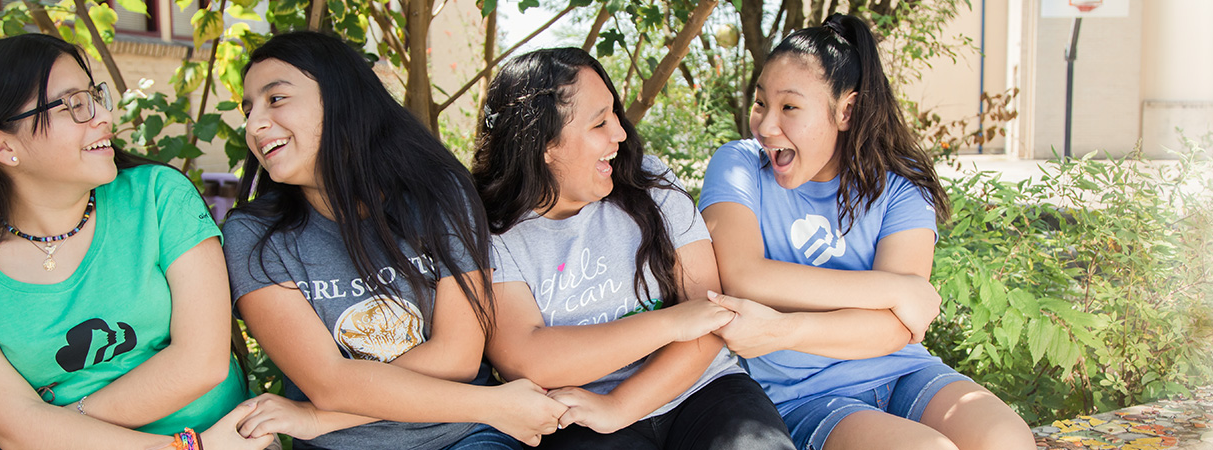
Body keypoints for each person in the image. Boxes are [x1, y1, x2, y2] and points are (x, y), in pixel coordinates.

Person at [0, 33, 271, 450]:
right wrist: (189, 448)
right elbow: (13, 430)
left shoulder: (157, 196)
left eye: (95, 96)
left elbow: (202, 362)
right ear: (1, 144)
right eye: (73, 105)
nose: (104, 116)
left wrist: (57, 422)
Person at [697, 14, 1036, 450]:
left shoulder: (901, 184)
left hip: (902, 370)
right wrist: (895, 290)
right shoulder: (739, 164)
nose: (765, 126)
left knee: (1009, 441)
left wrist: (785, 329)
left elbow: (899, 329)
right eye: (761, 103)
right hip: (805, 396)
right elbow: (744, 275)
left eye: (789, 107)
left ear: (846, 110)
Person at [222, 31, 569, 450]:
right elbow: (329, 381)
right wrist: (490, 403)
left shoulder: (438, 194)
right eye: (249, 109)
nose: (255, 123)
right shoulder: (254, 236)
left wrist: (320, 416)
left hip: (463, 434)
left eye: (275, 99)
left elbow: (457, 358)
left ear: (342, 100)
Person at [468, 47, 793, 450]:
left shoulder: (650, 182)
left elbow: (711, 315)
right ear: (544, 144)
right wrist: (671, 323)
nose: (620, 133)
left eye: (614, 115)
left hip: (703, 388)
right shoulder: (493, 231)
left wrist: (621, 405)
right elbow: (527, 358)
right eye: (599, 122)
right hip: (577, 414)